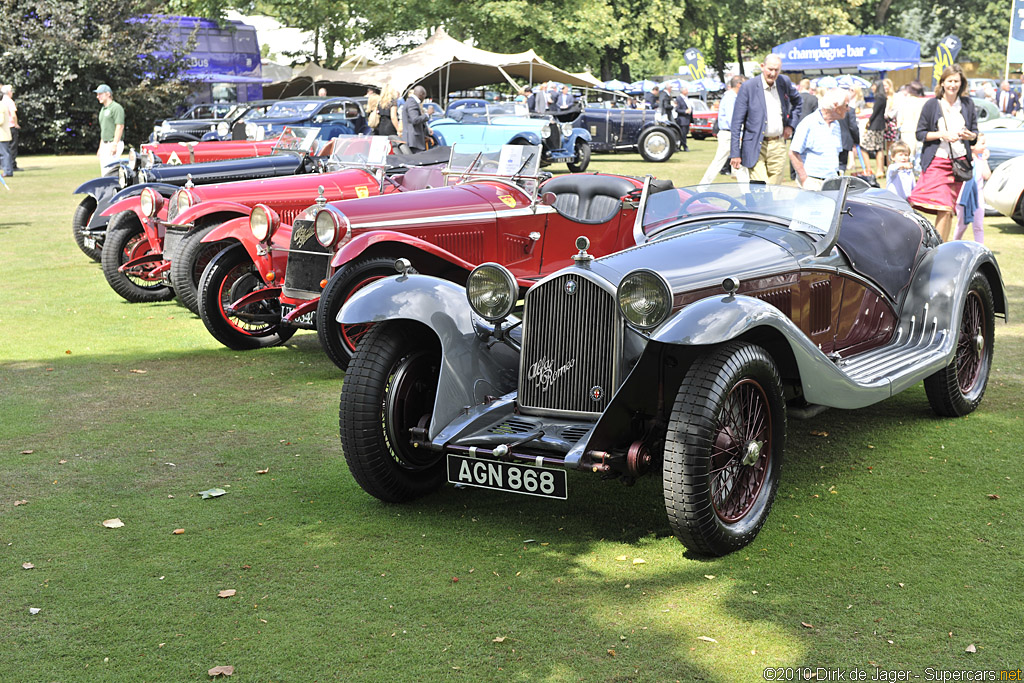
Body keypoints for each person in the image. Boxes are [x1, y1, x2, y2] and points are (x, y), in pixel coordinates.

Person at [908, 64, 979, 242]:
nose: (953, 85)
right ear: (942, 82)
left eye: (957, 81)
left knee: (947, 210)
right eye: (950, 81)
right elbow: (920, 134)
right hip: (937, 161)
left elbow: (975, 135)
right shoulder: (932, 104)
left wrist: (970, 136)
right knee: (937, 205)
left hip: (959, 163)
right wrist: (942, 134)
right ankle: (931, 244)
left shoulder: (968, 104)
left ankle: (941, 247)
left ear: (961, 83)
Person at [730, 53, 802, 184]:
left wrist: (790, 125)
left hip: (778, 144)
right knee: (761, 188)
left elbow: (798, 103)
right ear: (762, 67)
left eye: (777, 70)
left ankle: (762, 204)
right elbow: (736, 122)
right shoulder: (748, 87)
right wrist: (735, 153)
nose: (773, 73)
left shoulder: (783, 82)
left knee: (775, 188)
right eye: (770, 69)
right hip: (754, 144)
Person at [788, 88, 847, 191]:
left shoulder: (836, 124)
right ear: (836, 105)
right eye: (846, 105)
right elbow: (793, 153)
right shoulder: (809, 123)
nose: (848, 109)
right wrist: (804, 179)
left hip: (832, 183)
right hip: (813, 183)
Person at [700, 75, 744, 185]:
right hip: (729, 134)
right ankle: (702, 187)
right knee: (718, 163)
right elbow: (732, 119)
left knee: (739, 164)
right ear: (739, 84)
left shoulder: (730, 96)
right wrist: (739, 133)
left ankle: (746, 192)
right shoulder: (731, 98)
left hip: (729, 133)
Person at [954, 133, 991, 243]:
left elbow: (987, 175)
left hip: (978, 197)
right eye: (982, 143)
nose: (985, 146)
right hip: (963, 197)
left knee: (978, 226)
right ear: (972, 145)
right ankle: (955, 243)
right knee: (962, 225)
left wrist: (985, 160)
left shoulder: (981, 161)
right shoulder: (965, 161)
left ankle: (980, 248)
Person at [94, 84, 125, 176]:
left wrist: (115, 144)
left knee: (111, 171)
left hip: (114, 143)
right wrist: (100, 146)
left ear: (108, 94)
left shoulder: (116, 107)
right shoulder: (103, 110)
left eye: (100, 94)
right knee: (104, 171)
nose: (97, 96)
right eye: (97, 94)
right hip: (105, 144)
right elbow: (104, 130)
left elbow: (119, 126)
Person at [863, 80, 888, 177]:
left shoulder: (878, 97)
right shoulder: (884, 97)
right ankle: (880, 170)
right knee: (879, 148)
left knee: (863, 147)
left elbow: (875, 112)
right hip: (881, 124)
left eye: (873, 85)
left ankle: (869, 169)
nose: (872, 88)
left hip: (875, 125)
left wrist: (869, 121)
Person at [402, 85, 431, 153]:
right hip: (414, 141)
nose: (424, 98)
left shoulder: (410, 101)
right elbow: (415, 120)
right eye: (424, 96)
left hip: (413, 140)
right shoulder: (412, 103)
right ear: (422, 94)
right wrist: (427, 114)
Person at [1, 84, 18, 172]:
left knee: (4, 149)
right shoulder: (10, 102)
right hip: (10, 127)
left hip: (4, 129)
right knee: (11, 148)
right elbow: (13, 114)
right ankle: (11, 166)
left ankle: (6, 166)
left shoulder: (2, 102)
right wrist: (16, 124)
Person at [674, 85, 692, 151]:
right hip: (682, 119)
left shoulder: (687, 98)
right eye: (686, 90)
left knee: (685, 133)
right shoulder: (679, 99)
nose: (687, 91)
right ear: (683, 91)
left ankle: (679, 146)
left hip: (687, 118)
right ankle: (685, 146)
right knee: (683, 134)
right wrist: (685, 111)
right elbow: (677, 109)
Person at [0, 98, 12, 178]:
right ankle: (8, 170)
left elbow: (1, 120)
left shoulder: (0, 106)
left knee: (4, 154)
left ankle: (7, 171)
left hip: (2, 135)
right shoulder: (3, 105)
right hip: (4, 134)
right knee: (6, 154)